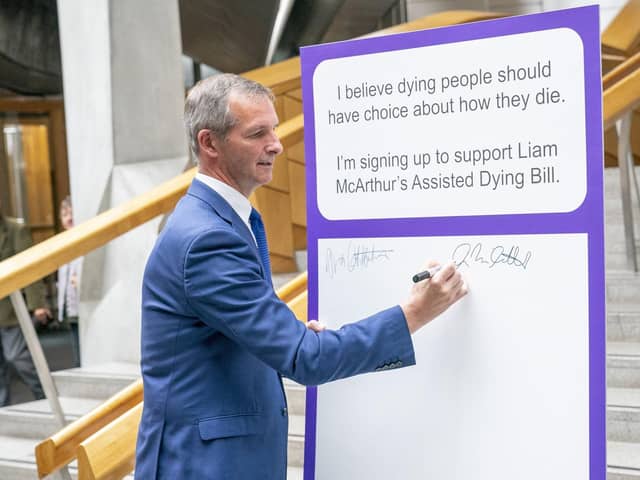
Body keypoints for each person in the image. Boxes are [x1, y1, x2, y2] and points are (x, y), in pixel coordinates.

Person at [135, 74, 467, 479]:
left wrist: (288, 337)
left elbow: (235, 335)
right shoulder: (208, 238)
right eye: (257, 133)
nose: (275, 144)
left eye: (273, 129)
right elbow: (306, 361)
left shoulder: (219, 221)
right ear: (210, 144)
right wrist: (415, 311)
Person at [0, 201, 51, 406]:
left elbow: (31, 269)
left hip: (10, 310)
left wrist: (37, 303)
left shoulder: (15, 230)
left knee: (16, 357)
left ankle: (45, 396)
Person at [57, 196, 82, 367]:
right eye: (64, 213)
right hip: (70, 306)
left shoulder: (82, 238)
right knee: (75, 345)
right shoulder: (61, 243)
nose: (68, 217)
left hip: (81, 303)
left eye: (72, 212)